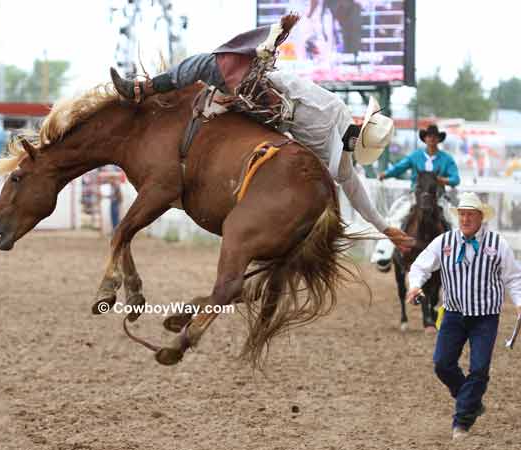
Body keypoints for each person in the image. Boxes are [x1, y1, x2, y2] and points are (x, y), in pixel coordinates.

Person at [109, 18, 413, 252]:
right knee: (216, 94)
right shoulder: (342, 163)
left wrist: (259, 63)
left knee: (201, 64)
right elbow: (354, 190)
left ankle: (142, 89)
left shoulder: (334, 110)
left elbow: (289, 85)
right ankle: (215, 107)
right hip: (269, 117)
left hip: (266, 106)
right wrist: (384, 227)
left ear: (363, 122)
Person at [405, 192, 521, 440]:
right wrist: (415, 285)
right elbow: (420, 266)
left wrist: (520, 303)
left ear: (481, 217)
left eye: (470, 214)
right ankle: (471, 402)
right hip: (453, 314)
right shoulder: (443, 242)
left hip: (485, 317)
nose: (466, 218)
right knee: (442, 364)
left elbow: (514, 277)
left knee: (479, 369)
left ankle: (462, 421)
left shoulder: (497, 244)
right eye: (462, 214)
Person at [371, 124, 461, 269]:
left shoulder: (447, 159)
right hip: (416, 196)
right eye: (429, 136)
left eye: (434, 137)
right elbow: (400, 167)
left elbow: (456, 179)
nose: (431, 139)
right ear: (425, 139)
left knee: (455, 221)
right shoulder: (416, 156)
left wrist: (440, 180)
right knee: (395, 217)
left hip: (438, 197)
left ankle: (458, 257)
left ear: (438, 139)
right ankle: (384, 254)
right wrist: (386, 174)